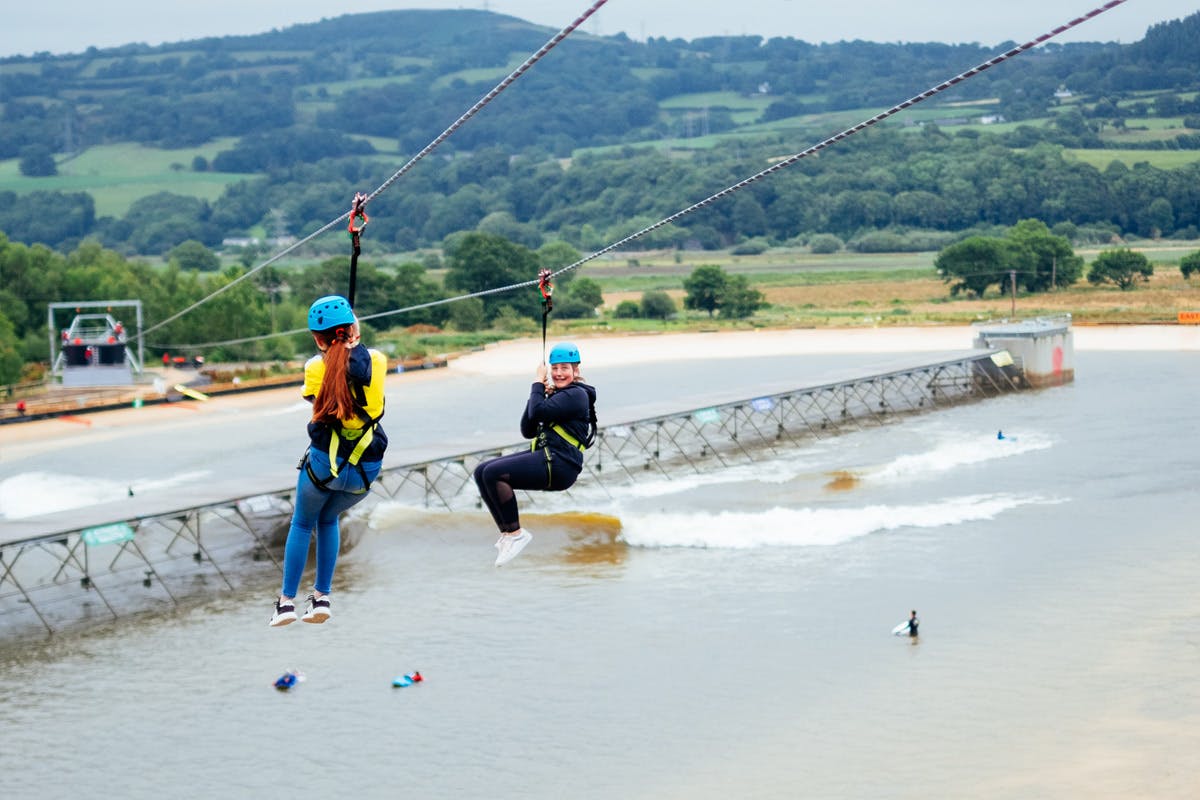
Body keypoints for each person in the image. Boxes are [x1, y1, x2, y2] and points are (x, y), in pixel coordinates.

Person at [269, 295, 389, 627]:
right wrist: (353, 342)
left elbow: (315, 398)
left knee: (303, 523)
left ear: (317, 339)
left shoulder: (314, 367)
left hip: (325, 465)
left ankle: (286, 603)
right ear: (354, 330)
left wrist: (338, 349)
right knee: (328, 519)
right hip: (364, 469)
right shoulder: (377, 360)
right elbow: (359, 364)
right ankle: (321, 597)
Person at [474, 342, 597, 566]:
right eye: (555, 368)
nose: (559, 373)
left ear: (576, 370)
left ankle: (516, 534)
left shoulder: (577, 395)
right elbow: (528, 430)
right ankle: (507, 534)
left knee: (493, 473)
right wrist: (538, 393)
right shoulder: (558, 396)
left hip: (561, 465)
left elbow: (539, 413)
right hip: (549, 456)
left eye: (564, 368)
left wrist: (537, 384)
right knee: (481, 471)